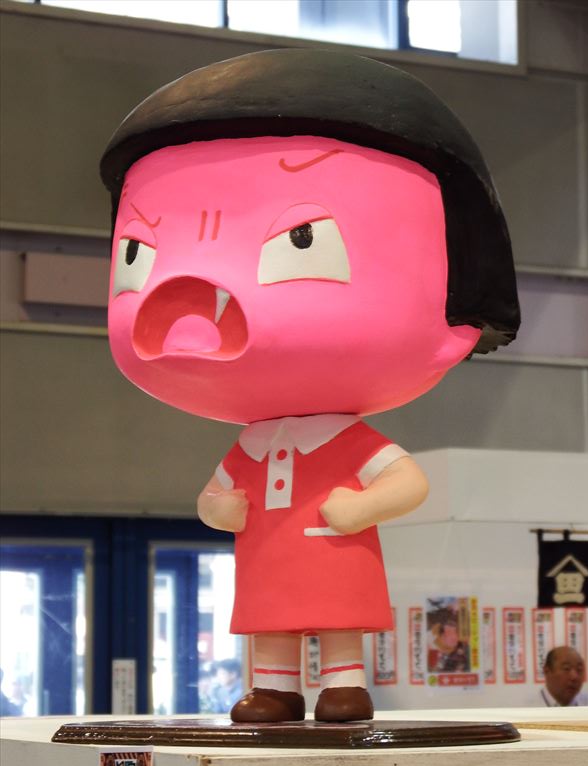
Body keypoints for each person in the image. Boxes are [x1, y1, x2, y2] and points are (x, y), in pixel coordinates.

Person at [101, 49, 520, 722]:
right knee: (273, 620)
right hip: (268, 559)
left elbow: (407, 482)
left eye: (302, 241)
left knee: (334, 615)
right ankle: (275, 688)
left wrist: (361, 508)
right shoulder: (253, 442)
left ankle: (343, 685)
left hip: (330, 551)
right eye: (135, 255)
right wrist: (217, 508)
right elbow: (215, 492)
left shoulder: (348, 441)